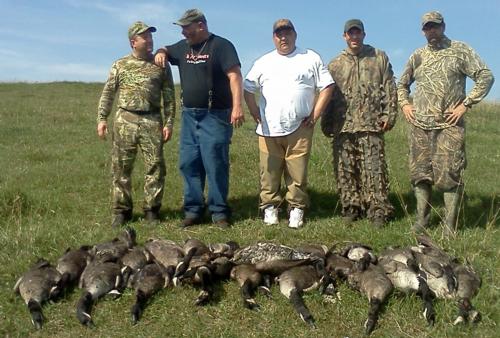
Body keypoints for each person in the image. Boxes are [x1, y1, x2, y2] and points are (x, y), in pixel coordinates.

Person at [397, 11, 494, 234]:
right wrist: (405, 104)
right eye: (427, 27)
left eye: (435, 26)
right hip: (420, 125)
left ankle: (449, 224)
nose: (432, 31)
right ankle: (422, 218)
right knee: (420, 173)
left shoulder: (460, 51)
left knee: (450, 173)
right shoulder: (417, 55)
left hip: (449, 126)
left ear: (443, 26)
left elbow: (485, 76)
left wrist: (466, 104)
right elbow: (402, 84)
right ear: (423, 30)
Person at [155, 9, 244, 229]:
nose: (184, 32)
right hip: (189, 116)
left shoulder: (222, 46)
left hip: (215, 115)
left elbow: (235, 76)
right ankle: (193, 210)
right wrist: (161, 52)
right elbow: (167, 48)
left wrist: (237, 107)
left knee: (215, 163)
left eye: (187, 27)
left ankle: (219, 212)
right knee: (189, 163)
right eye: (182, 28)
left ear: (201, 25)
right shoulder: (183, 47)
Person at [244, 19, 333, 229]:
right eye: (279, 34)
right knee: (269, 171)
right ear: (274, 37)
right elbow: (248, 88)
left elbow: (327, 86)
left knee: (297, 171)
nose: (283, 38)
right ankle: (270, 206)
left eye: (287, 33)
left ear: (295, 35)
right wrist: (255, 112)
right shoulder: (263, 62)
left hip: (300, 126)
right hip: (268, 128)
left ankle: (296, 208)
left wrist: (315, 115)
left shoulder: (310, 57)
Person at [97, 21, 176, 228]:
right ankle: (122, 211)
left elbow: (169, 97)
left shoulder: (160, 64)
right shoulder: (119, 65)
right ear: (134, 41)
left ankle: (152, 210)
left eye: (151, 37)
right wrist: (102, 118)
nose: (150, 41)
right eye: (145, 37)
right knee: (121, 167)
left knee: (155, 166)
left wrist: (169, 122)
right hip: (125, 120)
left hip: (152, 120)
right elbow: (108, 93)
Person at [323, 19, 397, 228]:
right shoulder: (335, 64)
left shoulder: (378, 57)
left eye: (357, 33)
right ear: (344, 36)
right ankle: (351, 207)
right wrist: (326, 123)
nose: (354, 37)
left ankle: (378, 211)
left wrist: (389, 115)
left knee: (374, 169)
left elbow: (389, 86)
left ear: (363, 34)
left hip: (371, 123)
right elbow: (328, 94)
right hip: (343, 125)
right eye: (350, 33)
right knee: (345, 169)